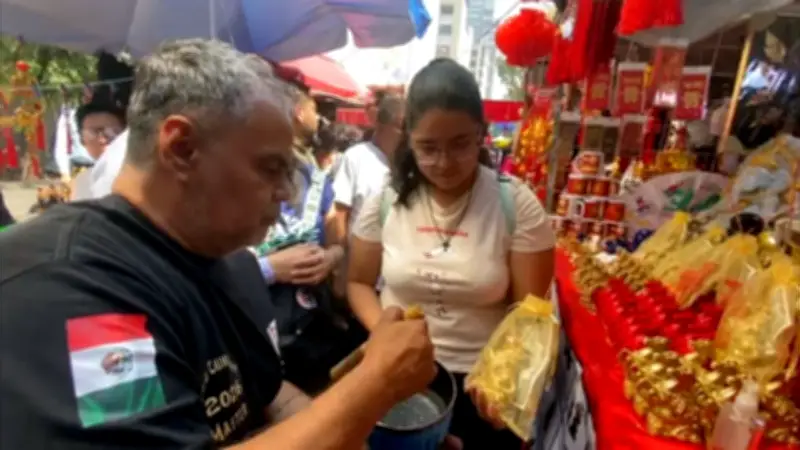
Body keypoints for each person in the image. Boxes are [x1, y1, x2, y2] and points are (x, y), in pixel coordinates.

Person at [0, 39, 439, 449]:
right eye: (270, 168)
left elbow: (270, 398)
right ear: (183, 147)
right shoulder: (80, 289)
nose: (286, 192)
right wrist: (374, 386)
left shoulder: (226, 262)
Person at [346, 59, 556, 448]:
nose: (444, 164)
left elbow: (531, 312)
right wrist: (384, 332)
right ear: (408, 139)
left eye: (460, 144)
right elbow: (358, 282)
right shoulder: (386, 202)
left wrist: (507, 378)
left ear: (482, 134)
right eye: (428, 148)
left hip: (483, 387)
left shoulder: (515, 203)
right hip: (399, 380)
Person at [252, 82, 353, 394]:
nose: (318, 118)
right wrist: (271, 268)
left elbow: (338, 243)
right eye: (313, 108)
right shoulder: (239, 180)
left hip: (311, 332)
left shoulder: (316, 179)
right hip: (255, 333)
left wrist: (329, 259)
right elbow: (213, 267)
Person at [333, 94, 404, 243]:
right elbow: (339, 212)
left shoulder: (409, 163)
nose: (407, 134)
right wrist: (342, 250)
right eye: (401, 127)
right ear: (381, 126)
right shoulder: (356, 157)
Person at [69, 101, 126, 200]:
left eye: (113, 131)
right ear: (82, 139)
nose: (104, 139)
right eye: (95, 131)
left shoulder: (139, 176)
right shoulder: (82, 182)